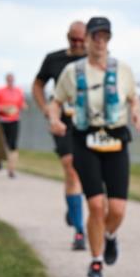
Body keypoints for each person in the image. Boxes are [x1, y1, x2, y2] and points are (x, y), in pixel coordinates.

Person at [48, 16, 140, 277]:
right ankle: (96, 260)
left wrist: (137, 113)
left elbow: (134, 98)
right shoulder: (73, 72)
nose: (100, 42)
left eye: (105, 37)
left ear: (109, 40)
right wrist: (54, 120)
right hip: (85, 140)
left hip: (115, 140)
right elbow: (56, 102)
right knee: (96, 206)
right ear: (87, 40)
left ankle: (110, 235)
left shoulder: (122, 70)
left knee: (117, 209)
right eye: (95, 37)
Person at [34, 20, 89, 250]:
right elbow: (38, 84)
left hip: (89, 122)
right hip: (63, 123)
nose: (77, 44)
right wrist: (46, 109)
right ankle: (79, 231)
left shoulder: (94, 60)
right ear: (67, 37)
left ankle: (73, 204)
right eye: (73, 39)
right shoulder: (54, 59)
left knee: (86, 172)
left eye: (80, 40)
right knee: (70, 167)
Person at [0, 73, 27, 178]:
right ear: (6, 80)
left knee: (13, 145)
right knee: (2, 143)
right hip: (2, 120)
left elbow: (21, 104)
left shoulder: (18, 91)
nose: (10, 81)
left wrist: (23, 106)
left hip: (14, 120)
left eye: (12, 79)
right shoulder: (0, 91)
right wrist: (3, 108)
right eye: (9, 79)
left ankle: (11, 170)